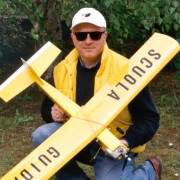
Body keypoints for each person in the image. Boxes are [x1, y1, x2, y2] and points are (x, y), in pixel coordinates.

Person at [32, 7, 162, 180]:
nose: (87, 41)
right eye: (81, 35)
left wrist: (125, 142)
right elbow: (47, 107)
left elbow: (149, 119)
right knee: (41, 135)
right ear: (72, 37)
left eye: (94, 35)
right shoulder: (61, 69)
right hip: (78, 139)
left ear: (105, 36)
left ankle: (149, 171)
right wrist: (52, 113)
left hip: (112, 146)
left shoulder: (128, 70)